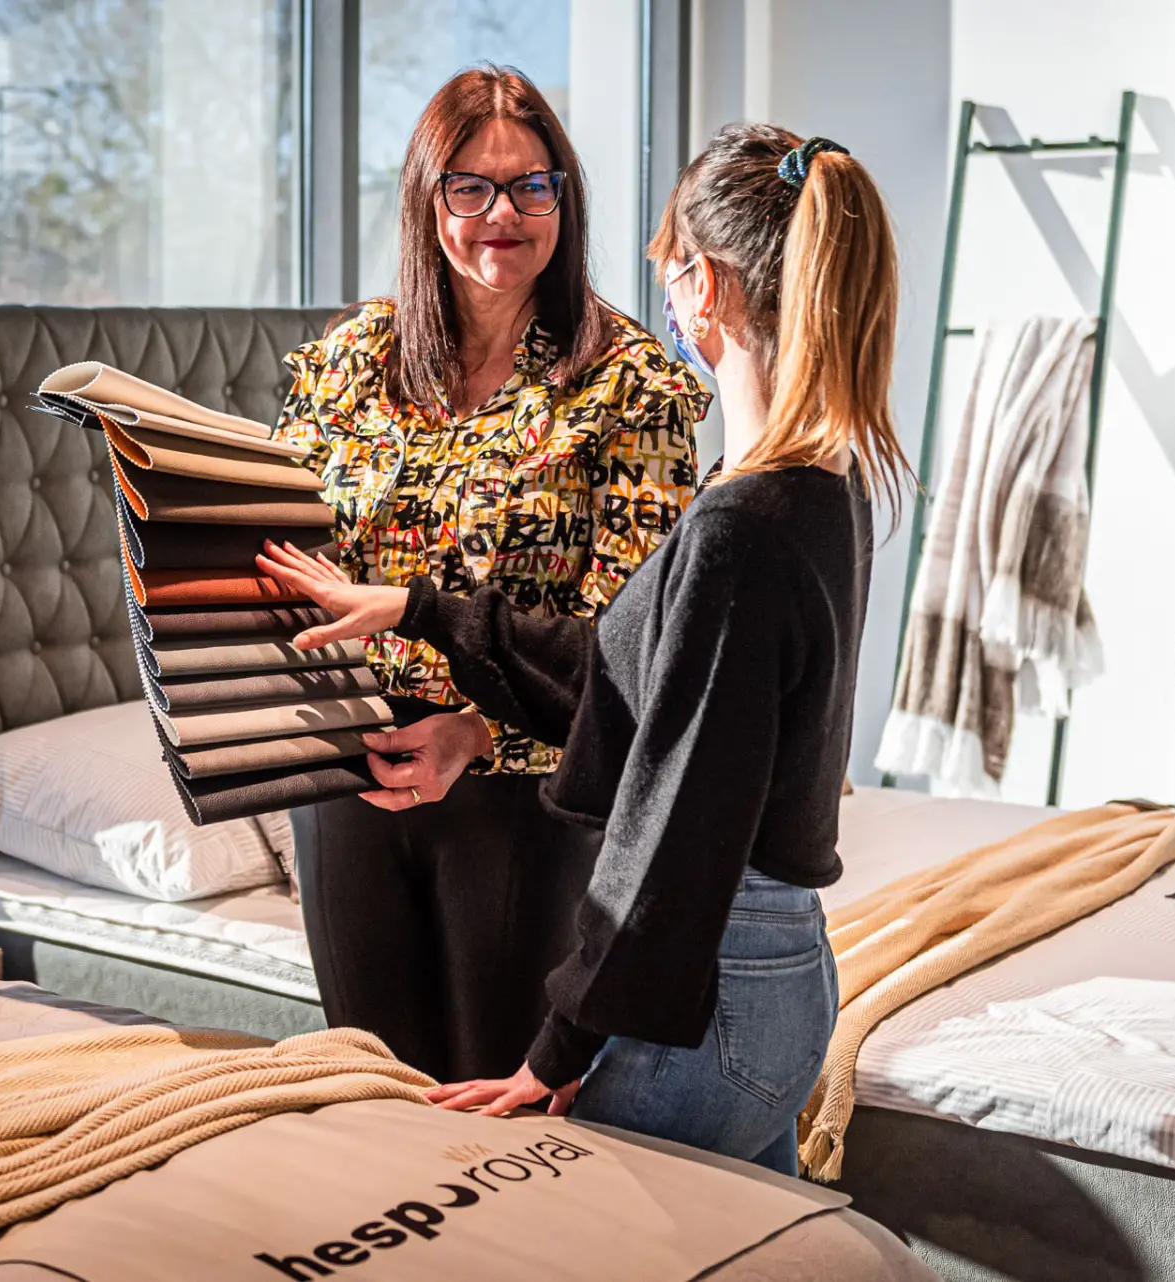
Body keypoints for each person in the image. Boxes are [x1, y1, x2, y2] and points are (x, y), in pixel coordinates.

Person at [260, 125, 908, 1176]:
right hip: (777, 973)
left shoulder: (740, 527)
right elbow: (620, 682)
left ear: (706, 288)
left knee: (550, 1229)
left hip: (712, 993)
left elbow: (678, 826)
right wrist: (419, 610)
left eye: (670, 270)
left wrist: (558, 1046)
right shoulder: (823, 487)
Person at [273, 66, 709, 1085]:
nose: (501, 214)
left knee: (491, 1109)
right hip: (348, 778)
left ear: (564, 198)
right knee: (372, 1087)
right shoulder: (346, 363)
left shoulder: (630, 382)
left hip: (525, 792)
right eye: (469, 187)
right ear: (427, 201)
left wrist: (474, 732)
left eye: (530, 186)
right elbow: (284, 550)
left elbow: (628, 646)